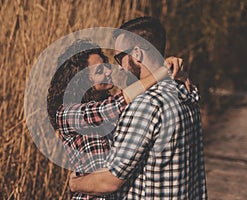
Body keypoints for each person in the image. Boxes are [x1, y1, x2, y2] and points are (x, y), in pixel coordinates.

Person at [69, 17, 208, 199]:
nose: (119, 67)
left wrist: (75, 183)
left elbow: (110, 181)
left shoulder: (146, 105)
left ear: (136, 53)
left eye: (120, 58)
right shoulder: (186, 92)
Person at [47, 39, 186, 199]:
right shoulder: (68, 113)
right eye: (100, 71)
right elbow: (114, 106)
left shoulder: (105, 104)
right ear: (82, 81)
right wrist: (162, 72)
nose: (108, 71)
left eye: (105, 64)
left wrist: (177, 77)